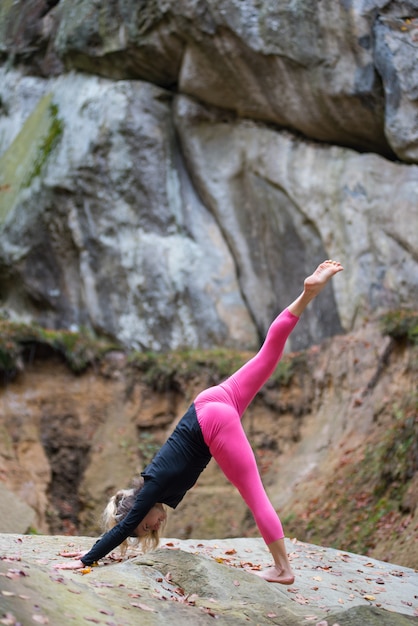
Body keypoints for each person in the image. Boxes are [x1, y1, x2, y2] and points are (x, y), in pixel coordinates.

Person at [54, 260, 344, 584]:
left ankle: (283, 569)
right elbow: (124, 530)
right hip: (210, 401)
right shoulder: (153, 485)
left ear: (136, 508)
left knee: (254, 493)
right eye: (148, 531)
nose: (152, 526)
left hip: (211, 422)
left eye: (144, 525)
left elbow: (122, 527)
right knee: (266, 356)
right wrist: (88, 550)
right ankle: (306, 295)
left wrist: (85, 560)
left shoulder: (151, 488)